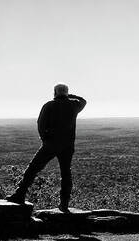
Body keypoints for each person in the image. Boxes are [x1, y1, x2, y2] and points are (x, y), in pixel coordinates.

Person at [6, 83, 87, 213]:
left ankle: (20, 194)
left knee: (33, 168)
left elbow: (41, 124)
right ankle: (64, 204)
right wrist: (69, 96)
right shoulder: (74, 105)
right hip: (67, 146)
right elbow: (84, 101)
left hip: (51, 144)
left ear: (55, 93)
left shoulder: (49, 105)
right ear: (66, 93)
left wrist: (45, 139)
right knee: (66, 173)